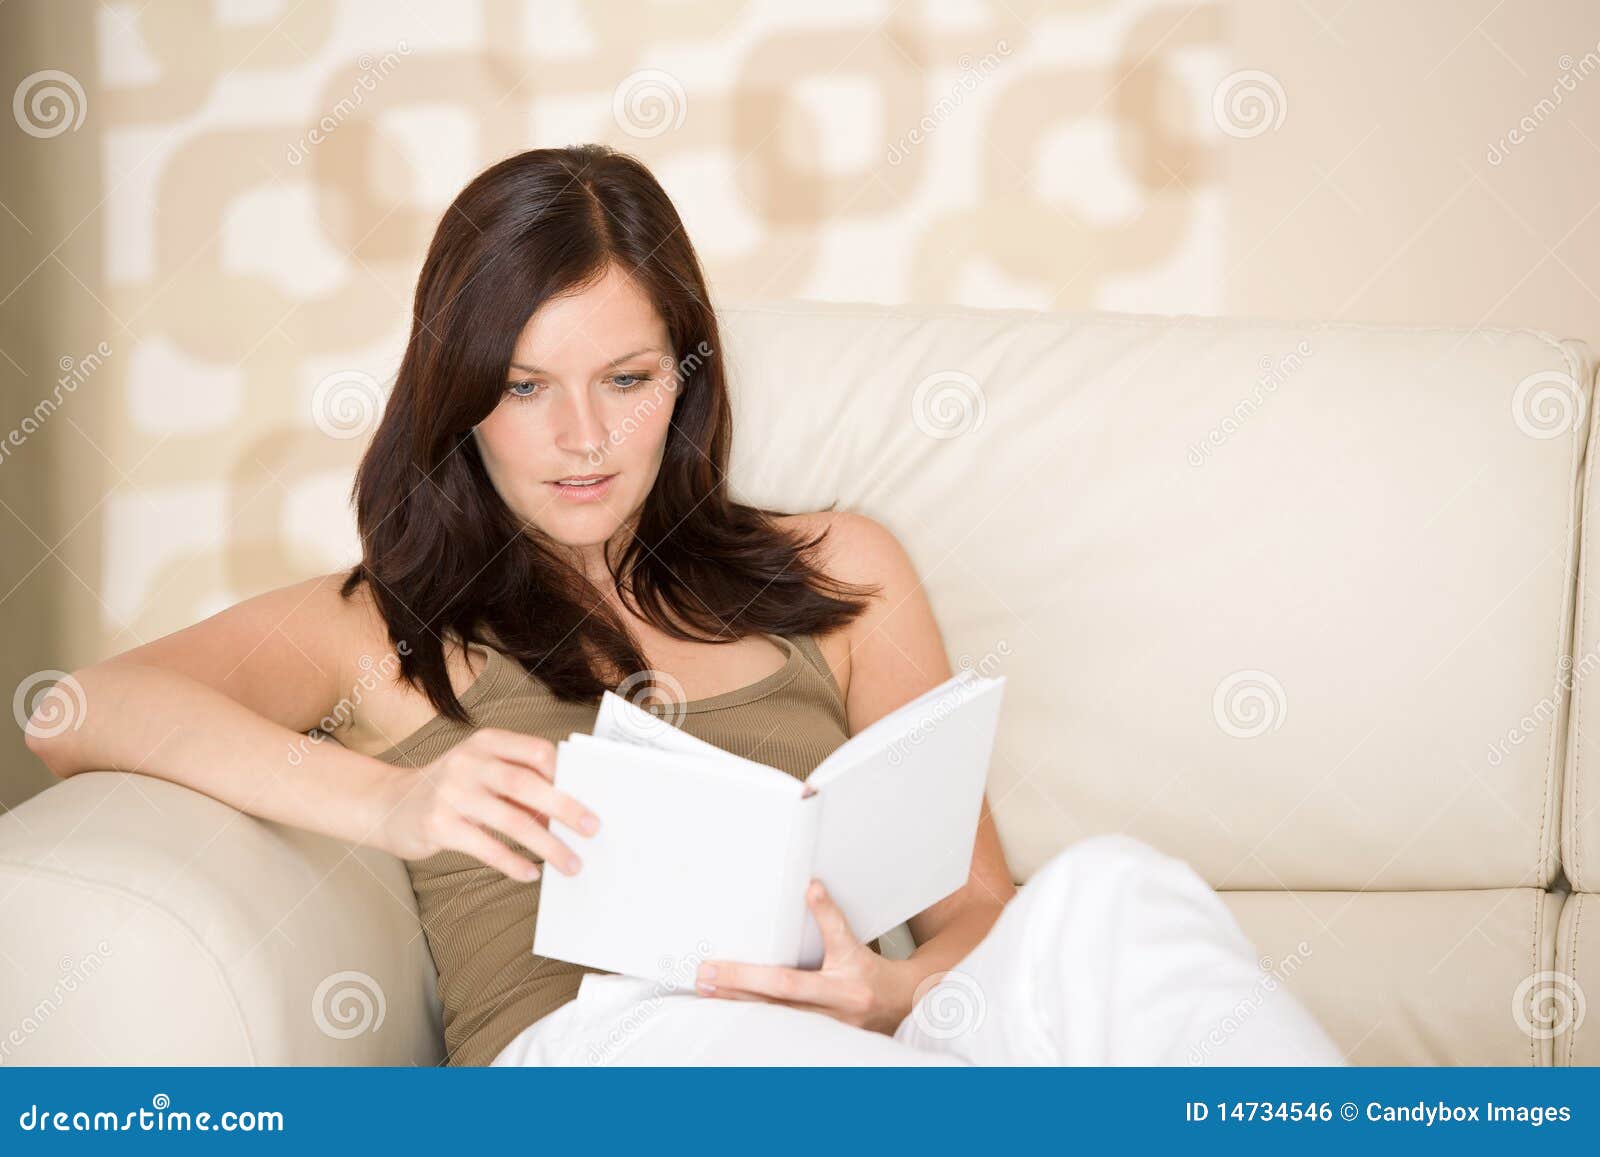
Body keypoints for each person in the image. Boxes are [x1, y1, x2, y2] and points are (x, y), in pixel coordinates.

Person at [26, 144, 1343, 1068]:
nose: (583, 436)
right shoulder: (381, 623)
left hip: (877, 1044)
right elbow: (74, 708)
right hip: (618, 1052)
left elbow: (978, 914)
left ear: (686, 379)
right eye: (527, 385)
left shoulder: (845, 574)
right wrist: (393, 800)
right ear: (461, 395)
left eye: (629, 375)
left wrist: (887, 992)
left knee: (1112, 890)